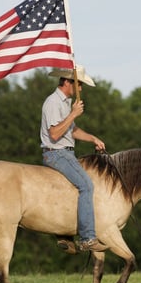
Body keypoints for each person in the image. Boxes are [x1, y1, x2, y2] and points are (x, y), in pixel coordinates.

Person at [40, 65, 107, 252]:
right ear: (68, 83)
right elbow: (54, 134)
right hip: (56, 153)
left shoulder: (65, 103)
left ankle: (64, 234)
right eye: (79, 84)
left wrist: (93, 138)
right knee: (86, 185)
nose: (81, 89)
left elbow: (72, 130)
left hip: (65, 152)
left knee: (77, 187)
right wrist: (73, 114)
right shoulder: (53, 102)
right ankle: (87, 238)